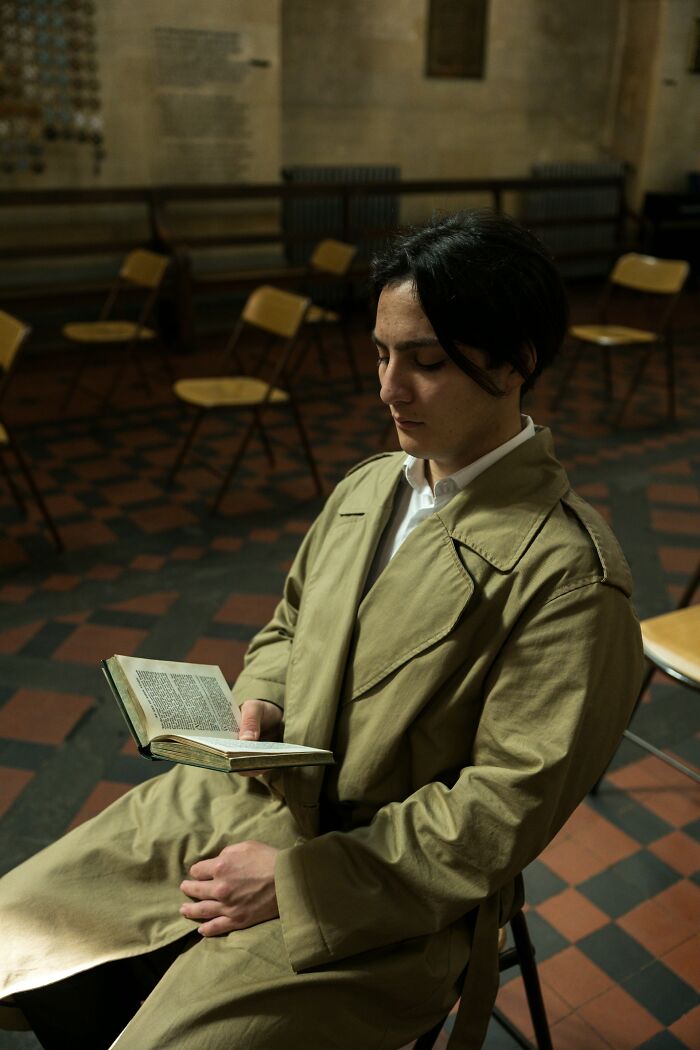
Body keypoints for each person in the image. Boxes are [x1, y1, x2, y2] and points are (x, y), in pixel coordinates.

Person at [0, 211, 643, 1050]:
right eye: (380, 353)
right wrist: (264, 692)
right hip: (249, 801)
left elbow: (496, 816)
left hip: (382, 893)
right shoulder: (370, 487)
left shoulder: (570, 576)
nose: (388, 387)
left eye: (428, 361)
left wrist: (299, 885)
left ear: (517, 361)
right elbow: (290, 621)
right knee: (21, 932)